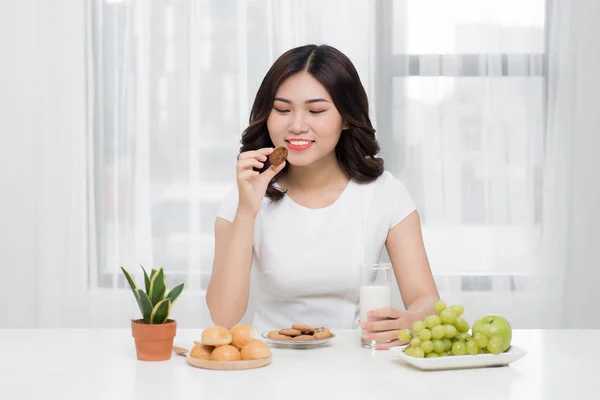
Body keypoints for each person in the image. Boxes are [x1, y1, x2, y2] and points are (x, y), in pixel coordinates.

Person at [206, 44, 439, 349]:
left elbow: (426, 301)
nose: (297, 125)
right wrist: (247, 212)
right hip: (271, 366)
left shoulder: (385, 194)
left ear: (346, 118)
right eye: (282, 109)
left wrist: (411, 320)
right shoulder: (245, 197)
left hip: (357, 365)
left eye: (316, 111)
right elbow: (223, 317)